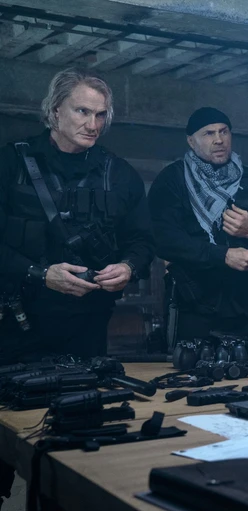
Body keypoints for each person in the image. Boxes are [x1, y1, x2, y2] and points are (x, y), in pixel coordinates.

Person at [0, 67, 154, 362]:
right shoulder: (10, 164)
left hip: (88, 328)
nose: (93, 125)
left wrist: (128, 267)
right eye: (82, 111)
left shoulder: (120, 174)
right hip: (17, 324)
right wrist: (41, 274)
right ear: (56, 110)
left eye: (100, 115)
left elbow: (143, 240)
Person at [148, 107, 248, 340]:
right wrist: (222, 255)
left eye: (223, 131)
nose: (218, 140)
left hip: (245, 304)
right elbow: (162, 239)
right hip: (192, 306)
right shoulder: (172, 180)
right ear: (191, 141)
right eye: (208, 133)